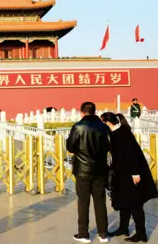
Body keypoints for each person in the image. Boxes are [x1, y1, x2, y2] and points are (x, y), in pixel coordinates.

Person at [101, 112, 158, 242]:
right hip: (121, 174)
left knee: (135, 204)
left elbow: (132, 154)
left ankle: (141, 232)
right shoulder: (114, 133)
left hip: (131, 174)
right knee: (123, 201)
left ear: (107, 122)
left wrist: (135, 173)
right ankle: (123, 227)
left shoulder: (123, 134)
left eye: (102, 122)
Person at [66, 102, 110, 243]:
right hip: (99, 170)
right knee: (100, 202)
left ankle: (84, 234)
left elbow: (71, 147)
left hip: (83, 171)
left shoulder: (78, 127)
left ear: (82, 112)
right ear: (94, 111)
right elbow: (108, 146)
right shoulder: (104, 127)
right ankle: (103, 233)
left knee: (83, 202)